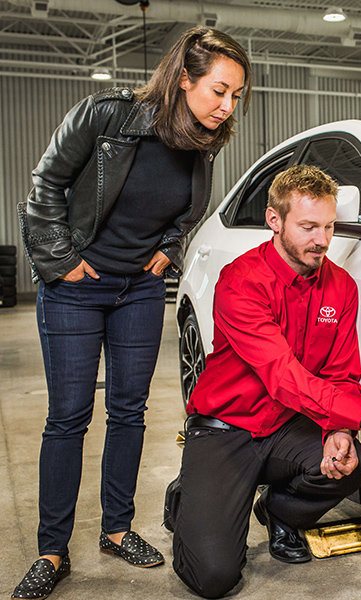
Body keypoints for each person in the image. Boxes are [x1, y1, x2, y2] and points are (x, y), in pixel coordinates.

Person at [13, 26, 252, 600]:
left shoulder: (202, 140)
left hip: (138, 292)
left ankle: (116, 530)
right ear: (184, 79)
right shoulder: (105, 115)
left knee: (129, 411)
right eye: (219, 90)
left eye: (237, 95)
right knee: (69, 416)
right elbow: (45, 185)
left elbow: (186, 212)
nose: (227, 105)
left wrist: (167, 252)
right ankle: (52, 549)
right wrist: (62, 260)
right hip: (75, 286)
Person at [170, 165, 361, 599]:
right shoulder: (241, 282)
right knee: (214, 578)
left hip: (287, 427)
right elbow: (282, 376)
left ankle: (281, 513)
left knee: (354, 462)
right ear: (274, 221)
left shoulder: (341, 288)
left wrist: (340, 428)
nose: (322, 240)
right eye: (308, 226)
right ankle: (191, 495)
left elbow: (340, 373)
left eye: (329, 226)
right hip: (227, 428)